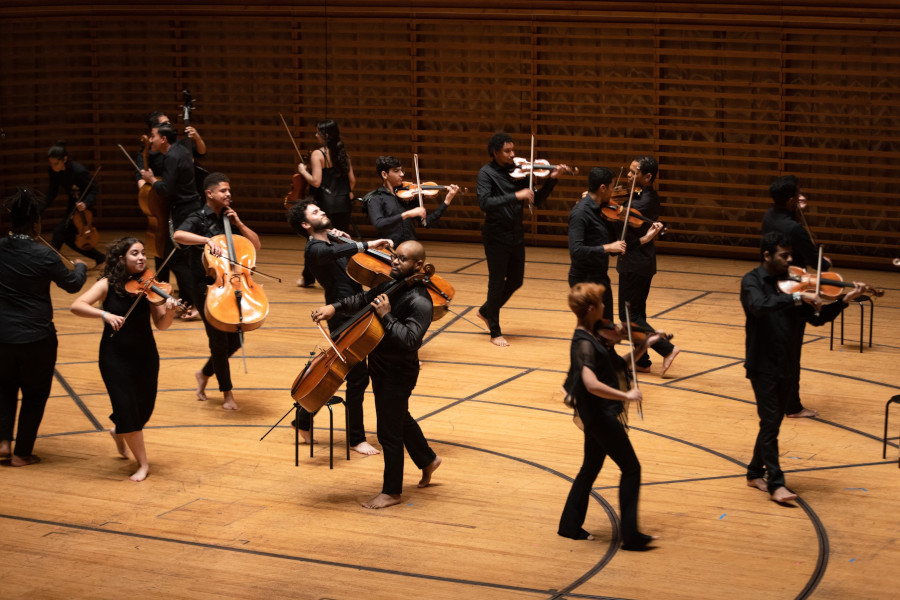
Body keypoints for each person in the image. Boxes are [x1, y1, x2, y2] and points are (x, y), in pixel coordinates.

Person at [312, 240, 441, 509]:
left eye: (402, 259)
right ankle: (428, 459)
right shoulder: (393, 285)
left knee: (388, 433)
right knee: (399, 418)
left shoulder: (420, 300)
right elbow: (362, 299)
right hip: (381, 366)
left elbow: (410, 340)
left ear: (418, 265)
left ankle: (392, 491)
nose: (395, 262)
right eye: (394, 257)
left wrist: (387, 316)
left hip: (399, 372)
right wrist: (333, 307)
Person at [741, 231, 864, 503]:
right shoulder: (752, 282)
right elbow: (759, 307)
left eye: (790, 255)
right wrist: (797, 298)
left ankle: (753, 472)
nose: (789, 260)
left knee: (770, 424)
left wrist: (844, 300)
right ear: (767, 256)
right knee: (771, 422)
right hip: (762, 365)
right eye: (783, 256)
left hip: (786, 365)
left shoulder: (793, 285)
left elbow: (816, 320)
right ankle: (776, 484)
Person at [287, 199, 395, 455]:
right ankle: (356, 438)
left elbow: (352, 262)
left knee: (342, 373)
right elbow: (333, 255)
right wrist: (364, 244)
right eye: (315, 212)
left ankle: (302, 420)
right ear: (306, 224)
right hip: (341, 313)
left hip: (356, 308)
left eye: (320, 208)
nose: (322, 211)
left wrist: (346, 240)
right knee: (356, 378)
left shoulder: (332, 241)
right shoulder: (314, 248)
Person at [557, 282, 659, 550]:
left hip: (596, 414)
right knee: (632, 468)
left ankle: (569, 525)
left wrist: (643, 345)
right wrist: (626, 396)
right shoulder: (584, 344)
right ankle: (631, 536)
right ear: (591, 308)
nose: (605, 308)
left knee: (590, 467)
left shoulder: (593, 336)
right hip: (600, 416)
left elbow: (617, 366)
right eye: (601, 304)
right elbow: (590, 383)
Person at [70, 237, 179, 481]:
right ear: (122, 259)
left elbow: (161, 325)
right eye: (134, 253)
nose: (141, 257)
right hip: (114, 357)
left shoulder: (149, 288)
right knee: (128, 411)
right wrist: (105, 314)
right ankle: (143, 464)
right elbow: (76, 306)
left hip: (146, 356)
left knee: (143, 410)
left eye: (142, 253)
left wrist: (170, 309)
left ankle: (118, 431)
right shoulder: (106, 284)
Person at [0, 188, 87, 466]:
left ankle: (3, 443)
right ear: (35, 222)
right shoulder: (44, 255)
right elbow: (72, 284)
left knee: (3, 391)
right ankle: (21, 453)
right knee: (35, 396)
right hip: (36, 338)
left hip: (2, 336)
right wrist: (80, 266)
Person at [174, 172, 261, 411]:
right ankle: (227, 395)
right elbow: (178, 235)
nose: (228, 194)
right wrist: (205, 240)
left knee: (238, 337)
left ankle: (203, 374)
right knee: (219, 343)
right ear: (209, 193)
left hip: (232, 284)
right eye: (223, 190)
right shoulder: (197, 218)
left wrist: (239, 224)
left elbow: (256, 246)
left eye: (229, 190)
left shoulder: (229, 219)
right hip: (205, 288)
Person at [476, 132, 569, 347]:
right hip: (495, 235)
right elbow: (484, 203)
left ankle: (485, 311)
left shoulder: (518, 172)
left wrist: (552, 180)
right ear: (495, 152)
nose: (513, 154)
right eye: (507, 151)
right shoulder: (486, 173)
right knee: (497, 282)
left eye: (513, 150)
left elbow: (537, 200)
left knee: (516, 280)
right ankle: (495, 331)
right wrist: (516, 196)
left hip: (516, 233)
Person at [761, 174, 829, 418]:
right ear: (790, 200)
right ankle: (792, 406)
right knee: (791, 350)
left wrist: (795, 212)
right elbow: (817, 261)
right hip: (794, 291)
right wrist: (826, 262)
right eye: (797, 195)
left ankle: (775, 397)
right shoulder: (794, 228)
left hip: (771, 287)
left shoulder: (769, 217)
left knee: (778, 346)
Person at [568, 167, 663, 321]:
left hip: (601, 278)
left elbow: (616, 249)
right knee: (594, 331)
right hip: (583, 280)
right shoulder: (580, 213)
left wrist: (645, 238)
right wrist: (607, 247)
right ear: (603, 188)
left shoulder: (603, 213)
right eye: (612, 187)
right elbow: (576, 250)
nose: (614, 191)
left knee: (608, 331)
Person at [615, 156, 679, 377]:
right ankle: (642, 360)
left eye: (634, 173)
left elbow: (622, 215)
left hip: (636, 263)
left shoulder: (646, 201)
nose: (629, 176)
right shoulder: (638, 196)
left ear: (648, 176)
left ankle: (667, 349)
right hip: (639, 262)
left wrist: (604, 203)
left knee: (628, 318)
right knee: (636, 314)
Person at [139, 121, 203, 318]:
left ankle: (193, 303)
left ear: (163, 139)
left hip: (183, 211)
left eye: (154, 137)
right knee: (184, 258)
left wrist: (151, 180)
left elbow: (166, 189)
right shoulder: (182, 149)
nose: (152, 140)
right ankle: (190, 302)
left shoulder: (171, 157)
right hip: (192, 207)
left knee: (175, 258)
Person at [296, 119, 356, 287]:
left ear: (326, 135)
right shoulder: (343, 154)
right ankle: (348, 275)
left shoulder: (318, 154)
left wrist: (302, 171)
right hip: (343, 204)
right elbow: (352, 181)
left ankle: (308, 278)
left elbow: (315, 182)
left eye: (317, 132)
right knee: (342, 241)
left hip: (325, 204)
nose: (315, 135)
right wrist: (347, 193)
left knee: (316, 241)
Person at [364, 155, 458, 247]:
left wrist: (447, 201)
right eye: (396, 171)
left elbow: (427, 223)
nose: (402, 174)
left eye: (402, 170)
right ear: (384, 174)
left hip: (410, 249)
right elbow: (379, 224)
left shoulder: (408, 197)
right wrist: (407, 214)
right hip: (389, 249)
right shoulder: (376, 198)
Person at [43, 141, 106, 266]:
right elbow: (51, 193)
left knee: (59, 232)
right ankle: (99, 257)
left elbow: (93, 188)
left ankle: (49, 264)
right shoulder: (54, 171)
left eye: (56, 163)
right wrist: (39, 209)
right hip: (72, 205)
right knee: (70, 239)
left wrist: (86, 203)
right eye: (51, 164)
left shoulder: (79, 171)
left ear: (64, 159)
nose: (53, 167)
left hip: (84, 208)